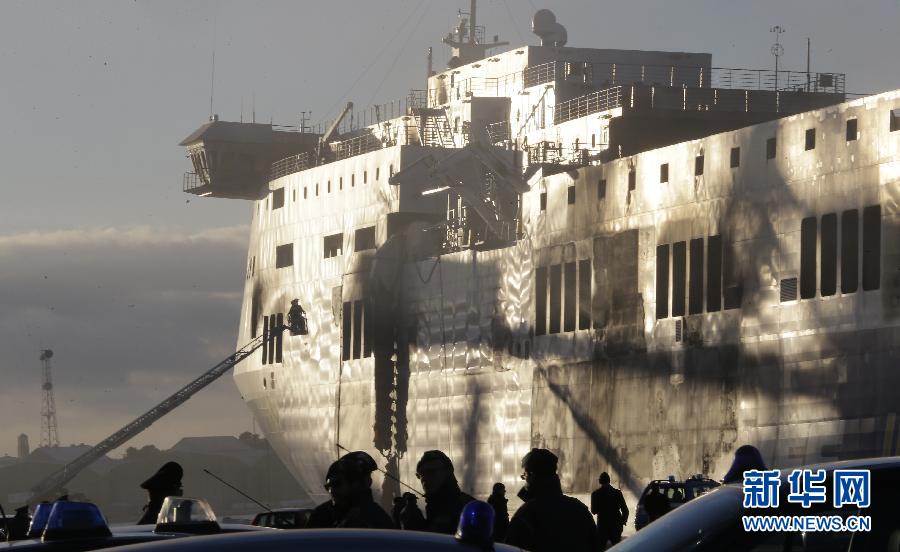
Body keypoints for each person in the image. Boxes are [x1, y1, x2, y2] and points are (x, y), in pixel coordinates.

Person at [505, 448, 599, 552]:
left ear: (532, 476)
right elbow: (595, 545)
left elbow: (510, 548)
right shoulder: (579, 509)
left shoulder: (526, 515)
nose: (524, 480)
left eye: (525, 475)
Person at [306, 450, 393, 529]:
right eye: (328, 486)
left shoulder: (376, 519)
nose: (331, 490)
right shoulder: (322, 515)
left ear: (356, 484)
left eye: (337, 484)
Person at [400, 450, 474, 534]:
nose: (424, 478)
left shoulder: (467, 508)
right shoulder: (434, 505)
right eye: (421, 474)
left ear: (448, 472)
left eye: (431, 472)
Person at [591, 472, 628, 547]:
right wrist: (622, 521)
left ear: (600, 481)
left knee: (601, 547)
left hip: (602, 526)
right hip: (616, 525)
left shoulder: (595, 494)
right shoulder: (617, 493)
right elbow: (625, 510)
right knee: (617, 547)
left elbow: (594, 511)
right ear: (609, 480)